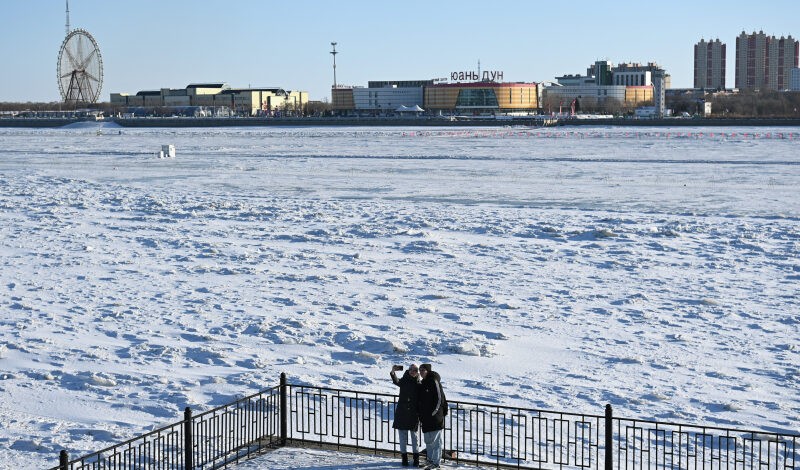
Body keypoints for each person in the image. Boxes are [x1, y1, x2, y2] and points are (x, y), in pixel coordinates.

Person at [417, 363, 447, 470]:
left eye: (423, 370)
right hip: (426, 417)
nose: (421, 372)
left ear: (428, 371)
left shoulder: (433, 380)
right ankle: (429, 460)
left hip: (435, 417)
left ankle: (436, 462)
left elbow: (440, 398)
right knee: (428, 441)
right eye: (420, 370)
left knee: (436, 441)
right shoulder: (423, 382)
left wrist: (434, 412)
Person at [391, 364, 421, 467]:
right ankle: (404, 458)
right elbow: (396, 381)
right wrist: (393, 372)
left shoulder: (419, 383)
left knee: (414, 437)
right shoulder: (404, 380)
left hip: (413, 413)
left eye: (415, 370)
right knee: (402, 436)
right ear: (408, 370)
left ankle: (416, 459)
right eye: (411, 369)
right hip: (402, 412)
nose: (413, 371)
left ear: (418, 372)